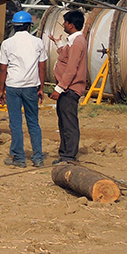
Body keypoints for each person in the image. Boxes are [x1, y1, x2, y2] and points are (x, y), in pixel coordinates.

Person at [0, 10, 47, 168]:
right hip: (31, 86)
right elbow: (42, 67)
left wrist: (1, 90)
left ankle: (19, 158)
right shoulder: (38, 42)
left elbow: (3, 70)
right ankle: (38, 157)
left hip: (13, 86)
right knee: (33, 122)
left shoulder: (7, 44)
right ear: (28, 26)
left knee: (15, 124)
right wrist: (41, 87)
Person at [48, 9, 88, 164]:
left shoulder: (77, 42)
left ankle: (69, 156)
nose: (63, 24)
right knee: (63, 122)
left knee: (69, 123)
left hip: (70, 89)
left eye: (65, 22)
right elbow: (66, 56)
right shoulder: (73, 41)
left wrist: (59, 88)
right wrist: (58, 43)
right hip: (68, 88)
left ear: (71, 25)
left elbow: (72, 68)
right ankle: (65, 154)